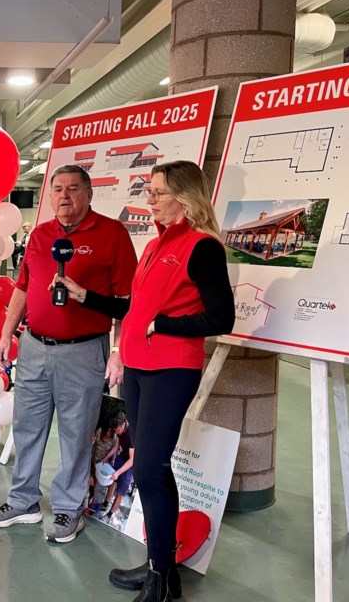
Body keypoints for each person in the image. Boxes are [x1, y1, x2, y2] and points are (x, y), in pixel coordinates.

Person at [101, 160, 235, 602]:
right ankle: (163, 566)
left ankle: (160, 582)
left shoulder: (203, 247)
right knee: (151, 468)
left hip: (171, 371)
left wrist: (165, 325)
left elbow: (222, 317)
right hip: (138, 371)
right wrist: (120, 351)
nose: (150, 200)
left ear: (185, 196)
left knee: (150, 471)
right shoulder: (156, 244)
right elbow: (137, 309)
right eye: (150, 192)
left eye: (158, 192)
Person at [0, 165, 137, 543]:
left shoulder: (112, 234)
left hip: (83, 352)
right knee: (27, 426)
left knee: (75, 433)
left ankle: (69, 510)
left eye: (72, 188)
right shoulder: (39, 235)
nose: (64, 196)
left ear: (88, 194)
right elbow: (23, 287)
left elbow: (127, 301)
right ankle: (24, 501)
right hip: (34, 347)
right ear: (49, 196)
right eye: (57, 189)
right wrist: (7, 334)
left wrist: (117, 351)